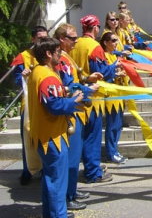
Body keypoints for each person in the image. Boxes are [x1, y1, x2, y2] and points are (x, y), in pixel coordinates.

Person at [28, 37, 83, 218]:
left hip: (45, 134)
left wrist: (67, 92)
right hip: (51, 136)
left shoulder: (39, 71)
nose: (61, 55)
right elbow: (53, 105)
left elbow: (51, 97)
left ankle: (51, 214)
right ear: (48, 54)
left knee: (50, 180)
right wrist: (74, 101)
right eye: (58, 52)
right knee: (57, 182)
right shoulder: (47, 76)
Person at [53, 23, 102, 210]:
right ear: (61, 40)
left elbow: (74, 81)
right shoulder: (61, 60)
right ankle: (67, 197)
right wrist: (87, 89)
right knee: (72, 158)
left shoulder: (66, 57)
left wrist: (87, 80)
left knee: (75, 156)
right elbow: (67, 86)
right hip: (70, 111)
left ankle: (72, 190)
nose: (76, 41)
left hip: (76, 110)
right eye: (72, 38)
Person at [70, 15, 119, 183]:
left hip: (75, 96)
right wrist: (115, 66)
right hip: (93, 99)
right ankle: (92, 172)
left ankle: (86, 168)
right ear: (96, 28)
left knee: (80, 138)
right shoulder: (94, 47)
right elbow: (102, 72)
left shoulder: (74, 45)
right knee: (92, 137)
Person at [10, 25, 48, 185]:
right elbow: (17, 79)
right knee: (28, 138)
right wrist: (23, 76)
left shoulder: (51, 53)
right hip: (30, 104)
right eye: (40, 38)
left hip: (47, 101)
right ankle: (27, 172)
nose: (43, 41)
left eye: (45, 37)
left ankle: (45, 170)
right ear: (33, 39)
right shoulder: (24, 57)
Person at [100, 32, 128, 164]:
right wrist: (116, 74)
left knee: (118, 125)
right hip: (111, 94)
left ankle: (114, 150)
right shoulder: (105, 56)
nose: (116, 43)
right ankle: (111, 153)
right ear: (105, 42)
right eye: (113, 40)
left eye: (117, 40)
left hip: (119, 93)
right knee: (112, 125)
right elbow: (104, 75)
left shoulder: (114, 55)